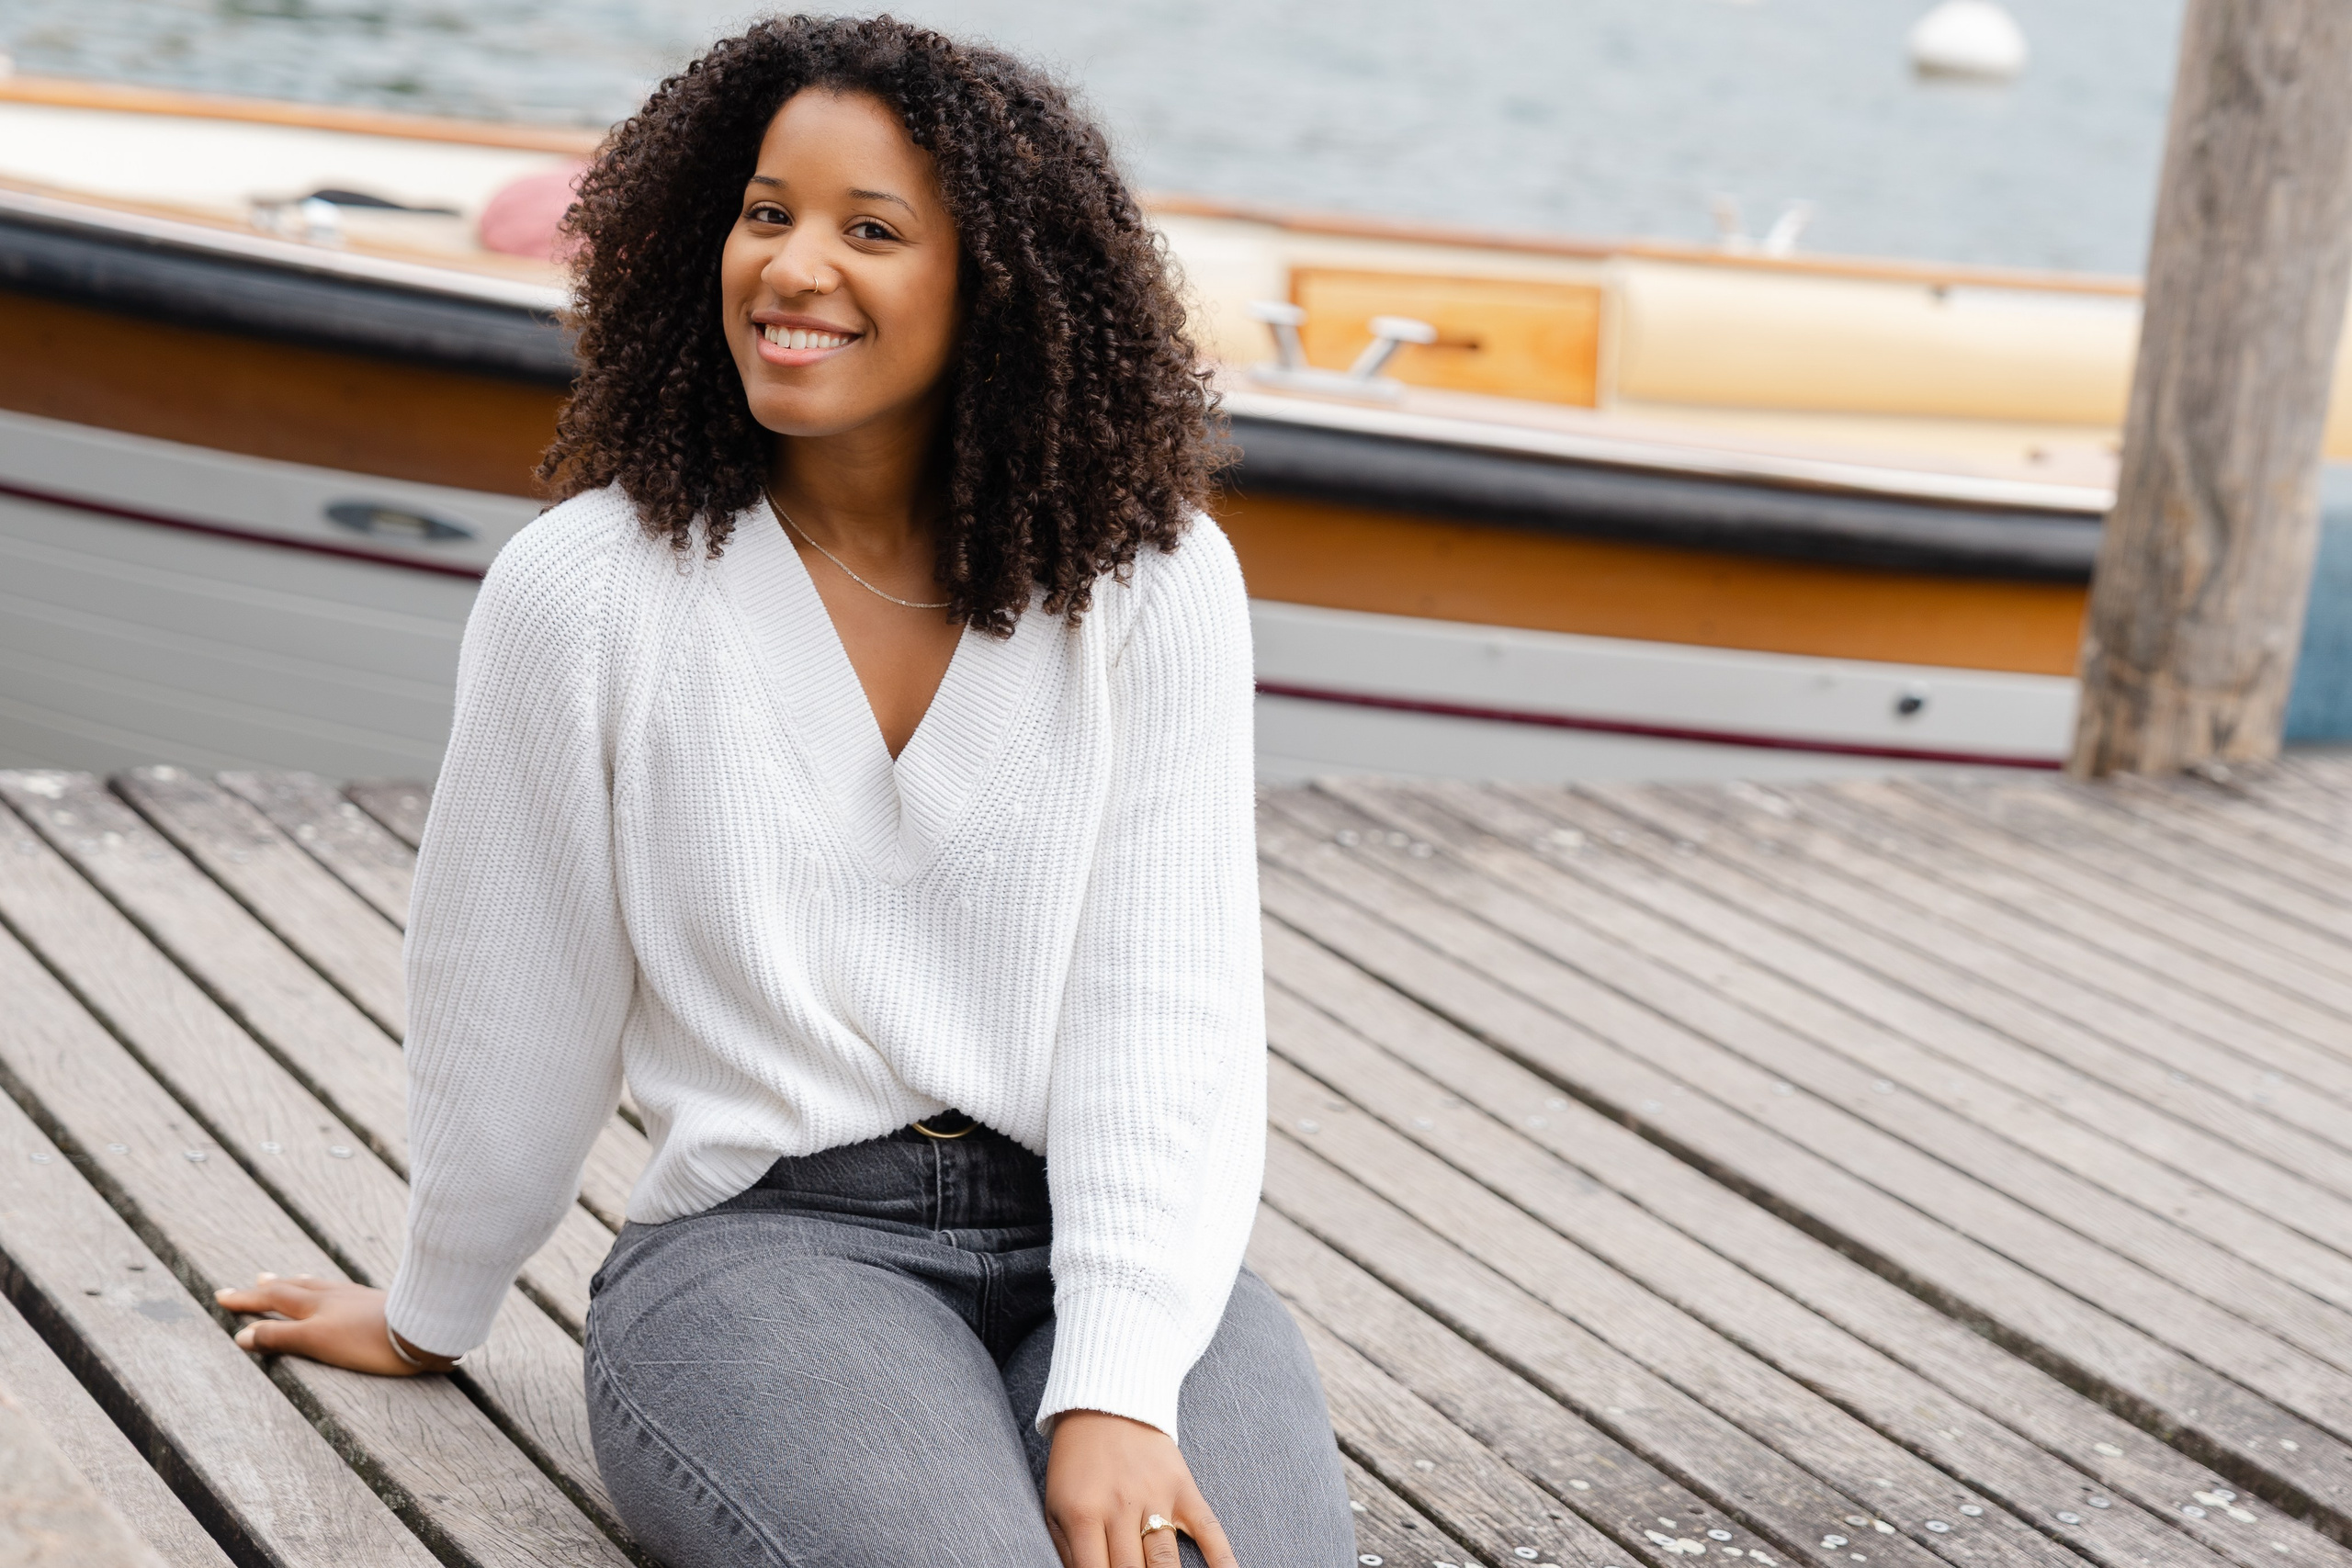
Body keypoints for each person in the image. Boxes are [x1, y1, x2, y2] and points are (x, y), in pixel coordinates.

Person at [211, 15, 1357, 1568]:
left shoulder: (1152, 583)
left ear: (997, 283)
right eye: (766, 214)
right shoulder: (586, 590)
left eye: (869, 230)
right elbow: (515, 990)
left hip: (1114, 1244)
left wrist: (1117, 1383)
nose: (793, 267)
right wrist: (435, 1305)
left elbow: (1171, 1008)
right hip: (769, 1253)